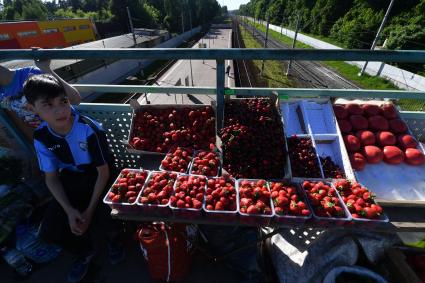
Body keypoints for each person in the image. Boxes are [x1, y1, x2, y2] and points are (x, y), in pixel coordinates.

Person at [23, 74, 123, 283]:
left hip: (100, 176)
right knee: (48, 231)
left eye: (63, 101)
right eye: (48, 105)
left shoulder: (89, 129)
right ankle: (84, 252)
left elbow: (103, 172)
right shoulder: (41, 136)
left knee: (108, 216)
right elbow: (51, 178)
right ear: (32, 109)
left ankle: (115, 239)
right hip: (72, 178)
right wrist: (69, 210)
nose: (60, 110)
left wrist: (88, 211)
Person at [0, 60, 81, 140]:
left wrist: (45, 68)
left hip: (73, 132)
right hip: (46, 141)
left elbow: (75, 99)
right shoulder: (2, 94)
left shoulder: (30, 74)